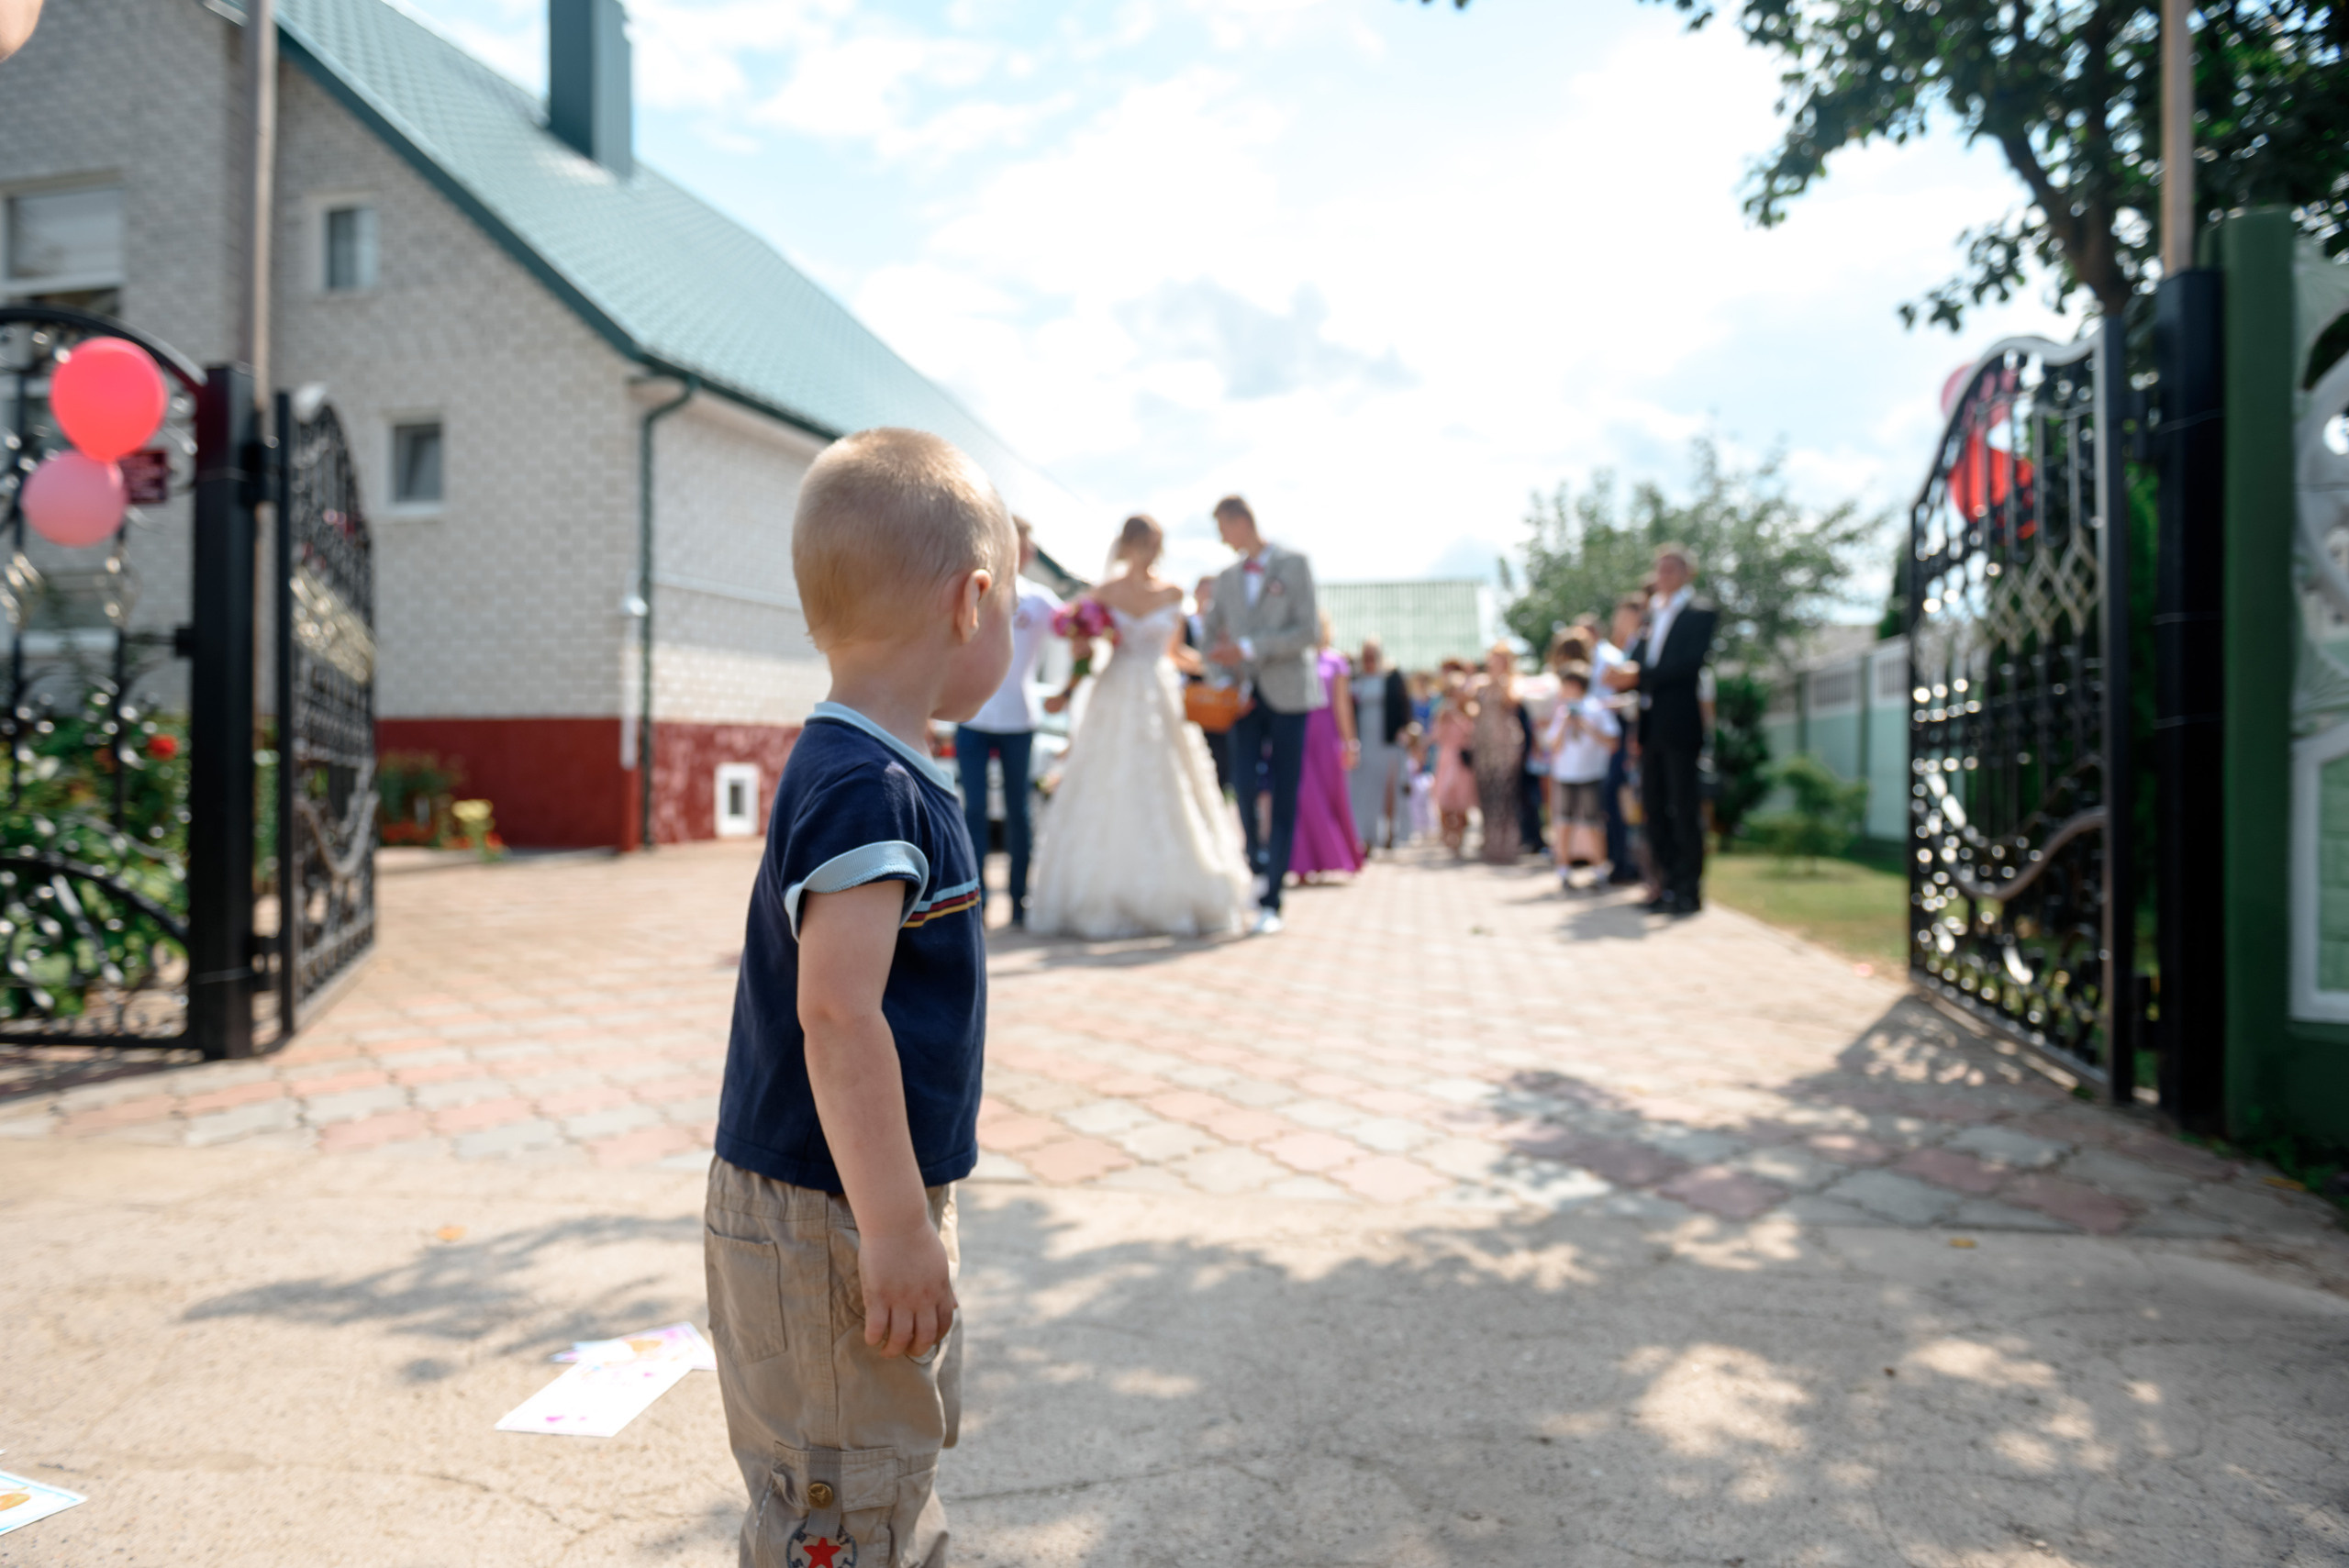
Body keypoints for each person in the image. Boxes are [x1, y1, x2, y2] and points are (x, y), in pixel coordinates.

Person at [708, 428, 1012, 1568]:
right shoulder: (868, 789)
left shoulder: (868, 768)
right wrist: (891, 1226)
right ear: (970, 602)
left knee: (872, 1471)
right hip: (832, 1212)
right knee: (837, 1495)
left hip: (846, 1197)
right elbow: (838, 1013)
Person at [1024, 516, 1254, 939]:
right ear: (1129, 545)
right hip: (1115, 691)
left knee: (1169, 785)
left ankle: (1178, 889)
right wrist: (1069, 684)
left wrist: (1216, 666)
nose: (1149, 551)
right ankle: (1103, 893)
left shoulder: (1172, 592)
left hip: (1160, 693)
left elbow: (1175, 651)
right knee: (1109, 781)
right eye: (1143, 543)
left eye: (1154, 544)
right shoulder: (1103, 594)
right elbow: (1083, 649)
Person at [1200, 495, 1324, 935]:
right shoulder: (1228, 578)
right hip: (1244, 699)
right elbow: (1208, 634)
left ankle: (1274, 898)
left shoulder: (1295, 564)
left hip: (1289, 695)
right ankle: (1258, 864)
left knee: (1285, 794)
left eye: (1222, 527)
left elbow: (1308, 630)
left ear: (1240, 521)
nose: (1220, 537)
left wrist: (1250, 648)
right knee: (1245, 786)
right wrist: (1223, 677)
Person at [954, 517, 1061, 928]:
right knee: (975, 810)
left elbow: (1081, 630)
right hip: (973, 716)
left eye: (1026, 544)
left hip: (1020, 719)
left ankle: (1019, 900)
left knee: (1019, 810)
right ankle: (973, 901)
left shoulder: (1040, 600)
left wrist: (1068, 689)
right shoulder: (973, 590)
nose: (1022, 551)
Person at [1612, 545, 1718, 915]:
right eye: (1660, 568)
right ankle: (1666, 885)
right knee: (1654, 808)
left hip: (1680, 724)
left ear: (1688, 572)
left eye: (1672, 568)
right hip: (1650, 726)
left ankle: (1689, 889)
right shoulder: (1651, 614)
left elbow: (1687, 666)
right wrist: (1627, 675)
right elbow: (1636, 662)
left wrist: (1641, 676)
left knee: (1683, 808)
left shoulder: (1699, 613)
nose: (1664, 575)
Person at [1287, 615, 1364, 881]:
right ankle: (1302, 865)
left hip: (1327, 735)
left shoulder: (1336, 661)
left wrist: (1350, 742)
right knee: (1304, 799)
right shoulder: (1296, 659)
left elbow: (1343, 706)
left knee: (1331, 797)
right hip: (1300, 733)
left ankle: (1333, 859)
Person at [1542, 663, 1620, 890]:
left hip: (1590, 775)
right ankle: (1563, 870)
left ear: (1574, 685)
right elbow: (1552, 745)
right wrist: (1566, 723)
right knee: (1563, 823)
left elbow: (1612, 742)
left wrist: (1585, 725)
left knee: (1592, 823)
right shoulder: (1562, 711)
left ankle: (1599, 870)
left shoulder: (1596, 709)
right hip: (1565, 776)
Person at [1597, 592, 1645, 885]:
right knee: (1614, 796)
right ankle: (1622, 859)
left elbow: (1626, 685)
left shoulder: (1637, 646)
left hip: (1633, 734)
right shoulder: (1624, 649)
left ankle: (1629, 861)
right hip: (1623, 731)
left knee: (1624, 797)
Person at [1348, 638, 1410, 852]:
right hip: (1363, 741)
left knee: (1389, 788)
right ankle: (1364, 836)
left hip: (1387, 742)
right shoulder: (1354, 679)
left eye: (1373, 656)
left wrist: (1404, 731)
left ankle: (1390, 832)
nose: (1369, 661)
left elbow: (1404, 707)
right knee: (1363, 791)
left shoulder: (1392, 678)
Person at [1470, 642, 1525, 863]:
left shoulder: (1512, 682)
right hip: (1484, 746)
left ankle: (1508, 847)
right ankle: (1490, 845)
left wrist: (1500, 679)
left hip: (1504, 746)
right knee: (1486, 795)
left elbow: (1513, 700)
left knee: (1505, 795)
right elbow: (1469, 704)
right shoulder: (1480, 684)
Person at [1186, 574, 1238, 795]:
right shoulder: (1185, 624)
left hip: (1218, 701)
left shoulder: (1226, 628)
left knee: (1220, 754)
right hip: (1191, 697)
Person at [1431, 663, 1477, 856]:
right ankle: (1447, 834)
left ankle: (1459, 836)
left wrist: (1457, 718)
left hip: (1462, 761)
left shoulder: (1471, 711)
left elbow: (1472, 735)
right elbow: (1436, 736)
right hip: (1446, 759)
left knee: (1461, 802)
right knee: (1444, 801)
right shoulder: (1442, 712)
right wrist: (1443, 720)